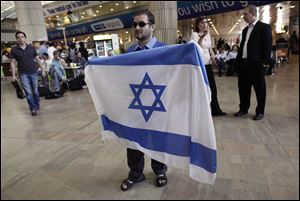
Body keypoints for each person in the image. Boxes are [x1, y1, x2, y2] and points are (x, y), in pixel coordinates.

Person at [121, 11, 168, 191]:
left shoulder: (165, 50)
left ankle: (160, 170)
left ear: (152, 26)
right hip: (135, 104)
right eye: (135, 25)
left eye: (141, 24)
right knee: (133, 140)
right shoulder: (130, 51)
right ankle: (136, 174)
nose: (137, 28)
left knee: (158, 138)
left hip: (158, 104)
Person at [235, 5, 272, 121]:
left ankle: (260, 111)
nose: (243, 17)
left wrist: (264, 62)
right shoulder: (245, 30)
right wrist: (238, 61)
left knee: (259, 89)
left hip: (256, 64)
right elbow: (243, 47)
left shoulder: (263, 27)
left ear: (253, 14)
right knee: (243, 88)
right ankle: (244, 108)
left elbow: (267, 46)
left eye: (245, 14)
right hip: (244, 64)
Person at [190, 16, 227, 116]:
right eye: (202, 22)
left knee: (212, 88)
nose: (205, 24)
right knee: (201, 89)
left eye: (206, 22)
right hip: (199, 65)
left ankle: (216, 110)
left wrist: (213, 56)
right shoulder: (194, 34)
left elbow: (210, 48)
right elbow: (196, 47)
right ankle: (201, 112)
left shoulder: (208, 34)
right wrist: (201, 37)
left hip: (208, 64)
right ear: (198, 25)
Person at [10, 31, 46, 116]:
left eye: (22, 37)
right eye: (18, 37)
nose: (21, 39)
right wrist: (14, 75)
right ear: (16, 39)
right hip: (23, 74)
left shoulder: (31, 48)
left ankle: (36, 105)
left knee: (35, 91)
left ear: (25, 38)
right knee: (28, 92)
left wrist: (43, 69)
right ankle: (33, 108)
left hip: (33, 72)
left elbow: (37, 59)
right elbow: (12, 62)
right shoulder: (14, 50)